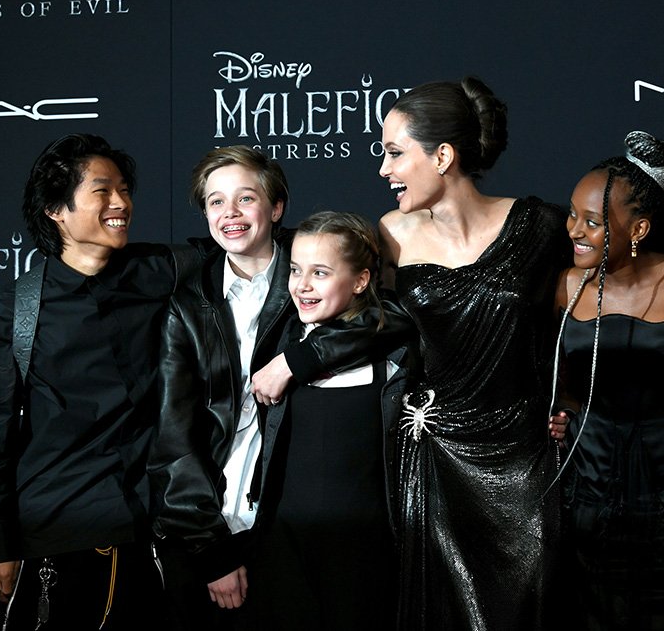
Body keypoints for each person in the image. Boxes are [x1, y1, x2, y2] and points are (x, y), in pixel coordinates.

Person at [147, 147, 409, 630]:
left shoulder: (308, 271)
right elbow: (174, 442)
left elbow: (388, 316)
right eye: (215, 202)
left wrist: (295, 360)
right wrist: (210, 550)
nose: (230, 214)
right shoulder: (188, 303)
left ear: (277, 207)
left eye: (245, 199)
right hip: (208, 523)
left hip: (280, 519)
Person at [377, 75, 570, 631]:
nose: (384, 170)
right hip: (435, 458)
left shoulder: (540, 226)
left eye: (395, 153)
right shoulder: (392, 234)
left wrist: (578, 401)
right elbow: (365, 331)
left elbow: (592, 319)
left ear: (442, 155)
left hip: (526, 459)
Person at [0, 133, 174, 630]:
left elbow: (259, 258)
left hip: (153, 532)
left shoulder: (161, 270)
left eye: (124, 189)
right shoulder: (20, 308)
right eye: (102, 191)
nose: (121, 203)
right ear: (57, 209)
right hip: (60, 530)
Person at [553, 130, 664, 630]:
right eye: (572, 214)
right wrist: (560, 412)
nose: (574, 230)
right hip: (592, 493)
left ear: (638, 229)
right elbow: (564, 386)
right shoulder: (568, 287)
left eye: (592, 221)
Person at [257, 210, 410, 630]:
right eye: (295, 270)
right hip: (284, 550)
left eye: (320, 273)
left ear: (361, 280)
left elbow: (392, 318)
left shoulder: (396, 359)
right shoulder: (279, 337)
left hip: (366, 551)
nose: (302, 285)